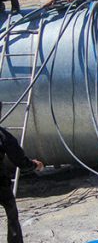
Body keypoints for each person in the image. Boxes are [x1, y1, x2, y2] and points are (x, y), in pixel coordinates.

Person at [0, 102, 44, 243]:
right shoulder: (3, 136)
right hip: (0, 184)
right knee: (11, 212)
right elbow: (21, 162)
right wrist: (35, 165)